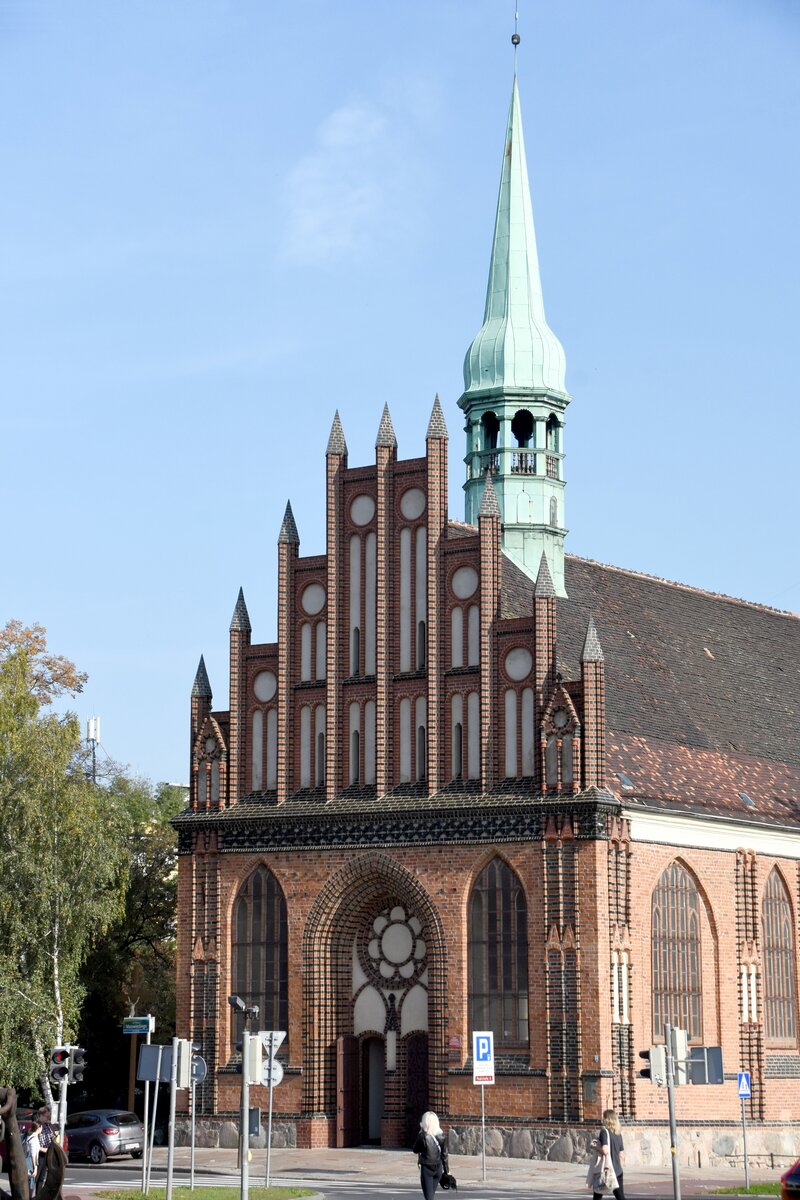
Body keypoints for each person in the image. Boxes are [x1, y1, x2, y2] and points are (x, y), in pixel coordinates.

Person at [412, 1111, 449, 1200]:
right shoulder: (441, 1135)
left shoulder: (423, 1136)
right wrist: (447, 1171)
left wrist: (420, 1133)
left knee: (429, 1197)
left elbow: (415, 1149)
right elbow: (444, 1154)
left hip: (427, 1168)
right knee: (431, 1195)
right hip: (438, 1168)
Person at [592, 1109, 625, 1200]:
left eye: (603, 1118)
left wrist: (596, 1146)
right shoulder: (618, 1134)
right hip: (618, 1171)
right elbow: (622, 1154)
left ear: (606, 1119)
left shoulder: (604, 1132)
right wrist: (619, 1167)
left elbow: (605, 1150)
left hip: (606, 1170)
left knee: (598, 1195)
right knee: (620, 1197)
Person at [24, 1119, 42, 1196]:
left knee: (27, 1184)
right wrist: (35, 1168)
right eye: (41, 1127)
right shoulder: (34, 1139)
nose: (42, 1129)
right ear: (39, 1128)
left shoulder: (29, 1136)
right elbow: (33, 1154)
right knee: (31, 1184)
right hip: (30, 1164)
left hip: (26, 1162)